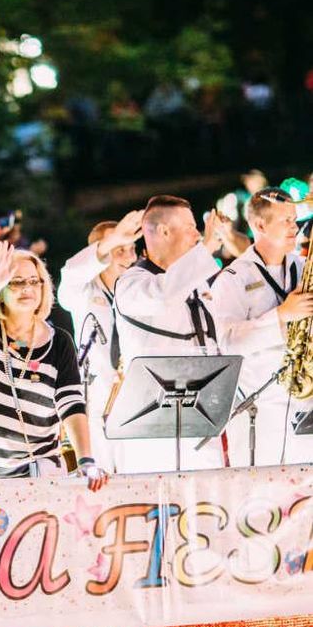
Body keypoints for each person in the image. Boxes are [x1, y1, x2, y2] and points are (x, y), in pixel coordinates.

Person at [0, 249, 108, 490]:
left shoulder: (60, 342)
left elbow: (72, 405)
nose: (27, 288)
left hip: (31, 475)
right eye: (17, 282)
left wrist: (86, 461)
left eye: (34, 281)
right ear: (2, 289)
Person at [112, 195, 231, 472]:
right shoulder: (131, 283)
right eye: (190, 227)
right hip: (152, 430)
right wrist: (208, 247)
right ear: (164, 231)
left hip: (202, 423)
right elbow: (165, 295)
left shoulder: (197, 283)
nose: (197, 235)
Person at [210, 188, 313, 466]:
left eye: (294, 220)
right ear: (260, 225)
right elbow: (228, 343)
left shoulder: (304, 267)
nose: (295, 227)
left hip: (305, 407)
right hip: (259, 412)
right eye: (286, 221)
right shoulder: (232, 278)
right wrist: (281, 315)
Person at [57, 210, 142, 472]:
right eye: (119, 249)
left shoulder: (140, 291)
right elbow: (70, 272)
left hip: (135, 404)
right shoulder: (82, 291)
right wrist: (113, 238)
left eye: (132, 249)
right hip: (95, 403)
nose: (129, 258)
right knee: (98, 480)